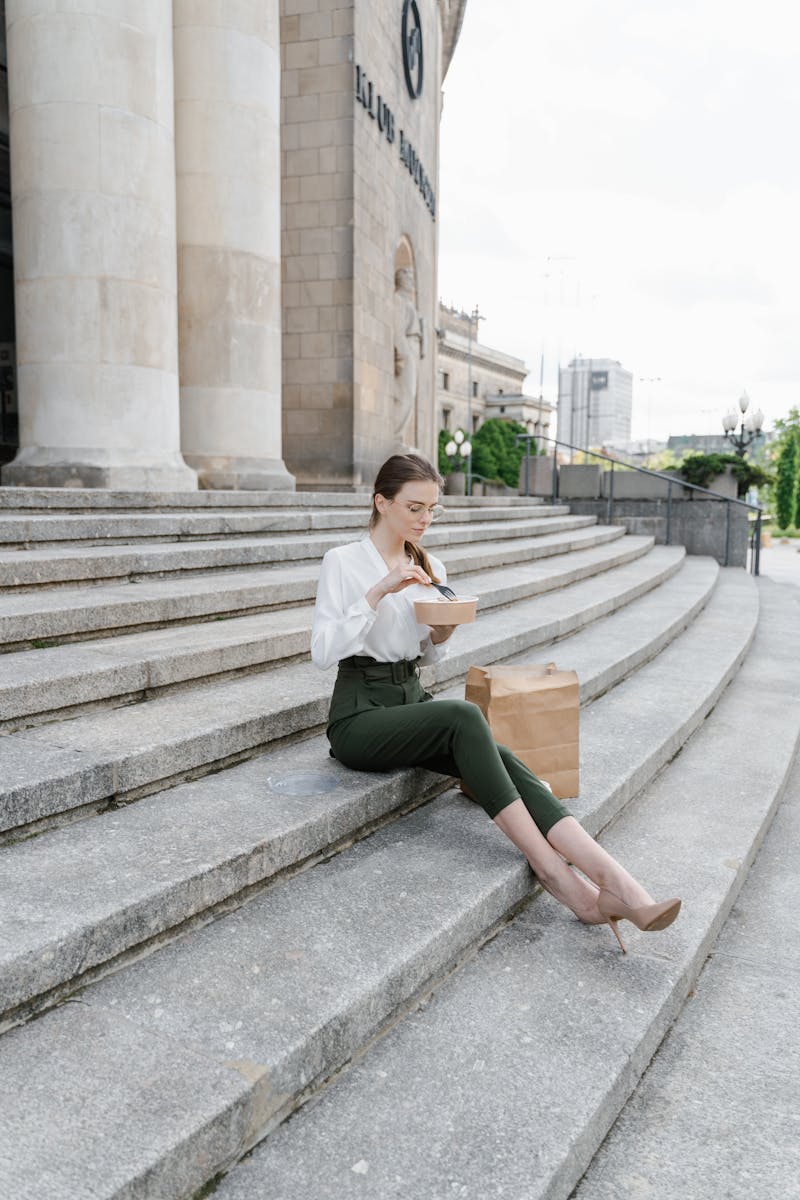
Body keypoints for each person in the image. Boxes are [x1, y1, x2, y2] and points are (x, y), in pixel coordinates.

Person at [310, 452, 681, 952]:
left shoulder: (429, 564)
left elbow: (428, 654)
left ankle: (620, 885)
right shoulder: (343, 562)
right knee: (465, 717)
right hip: (359, 716)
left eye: (433, 510)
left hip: (409, 696)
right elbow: (323, 652)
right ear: (381, 502)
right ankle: (555, 875)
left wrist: (440, 630)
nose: (425, 520)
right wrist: (380, 590)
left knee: (501, 755)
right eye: (415, 508)